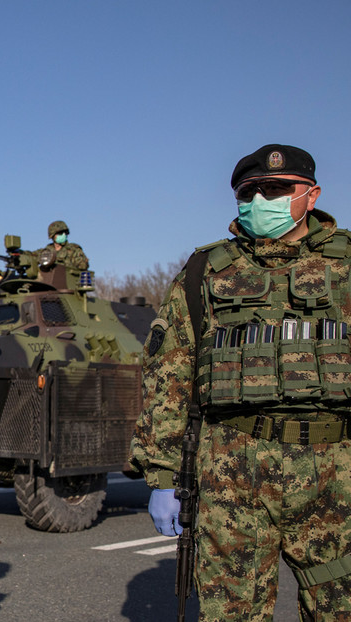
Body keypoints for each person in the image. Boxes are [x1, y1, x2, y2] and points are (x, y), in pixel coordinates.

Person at [130, 144, 351, 619]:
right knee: (231, 613)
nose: (260, 199)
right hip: (232, 471)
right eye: (249, 192)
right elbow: (169, 375)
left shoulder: (347, 265)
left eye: (276, 189)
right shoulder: (205, 271)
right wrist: (164, 475)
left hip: (337, 471)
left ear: (311, 196)